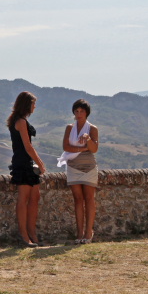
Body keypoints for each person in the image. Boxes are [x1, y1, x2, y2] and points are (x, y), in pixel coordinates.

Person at [57, 99, 99, 244]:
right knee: (78, 200)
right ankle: (79, 233)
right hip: (73, 168)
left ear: (87, 113)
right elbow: (65, 147)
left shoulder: (92, 129)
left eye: (82, 111)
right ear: (73, 112)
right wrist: (82, 149)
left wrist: (87, 140)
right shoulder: (70, 128)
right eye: (77, 111)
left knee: (89, 199)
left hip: (89, 168)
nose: (79, 114)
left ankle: (88, 233)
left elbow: (94, 149)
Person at [7, 91, 45, 247]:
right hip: (22, 163)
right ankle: (23, 234)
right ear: (26, 104)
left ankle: (31, 232)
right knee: (23, 199)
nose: (34, 106)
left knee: (34, 197)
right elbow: (28, 147)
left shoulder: (20, 120)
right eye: (33, 103)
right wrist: (41, 164)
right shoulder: (21, 122)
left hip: (27, 163)